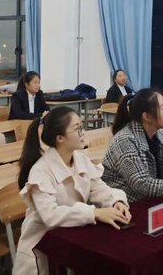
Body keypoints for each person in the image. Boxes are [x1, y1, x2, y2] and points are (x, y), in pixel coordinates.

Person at [13, 107, 130, 275]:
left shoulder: (79, 158)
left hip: (70, 238)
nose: (83, 133)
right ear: (60, 138)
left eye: (82, 127)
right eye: (78, 129)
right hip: (40, 245)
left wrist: (115, 201)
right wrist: (95, 213)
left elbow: (97, 187)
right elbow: (51, 216)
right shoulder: (41, 171)